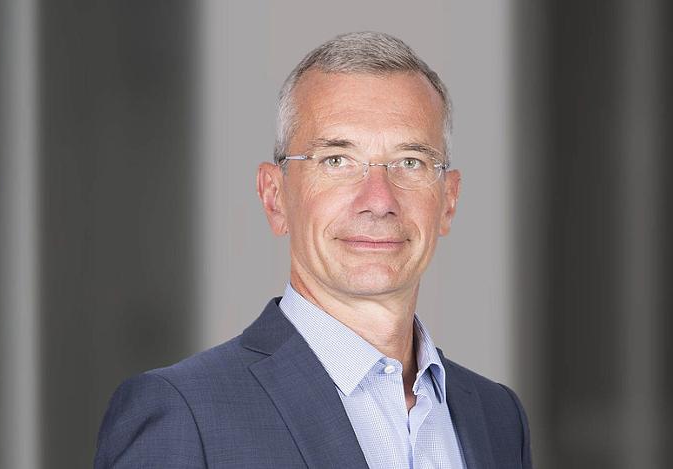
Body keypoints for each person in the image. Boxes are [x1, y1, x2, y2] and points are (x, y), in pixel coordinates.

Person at [94, 31, 532, 469]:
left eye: (410, 162)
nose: (379, 200)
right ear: (275, 197)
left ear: (448, 201)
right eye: (336, 160)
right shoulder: (185, 413)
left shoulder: (497, 418)